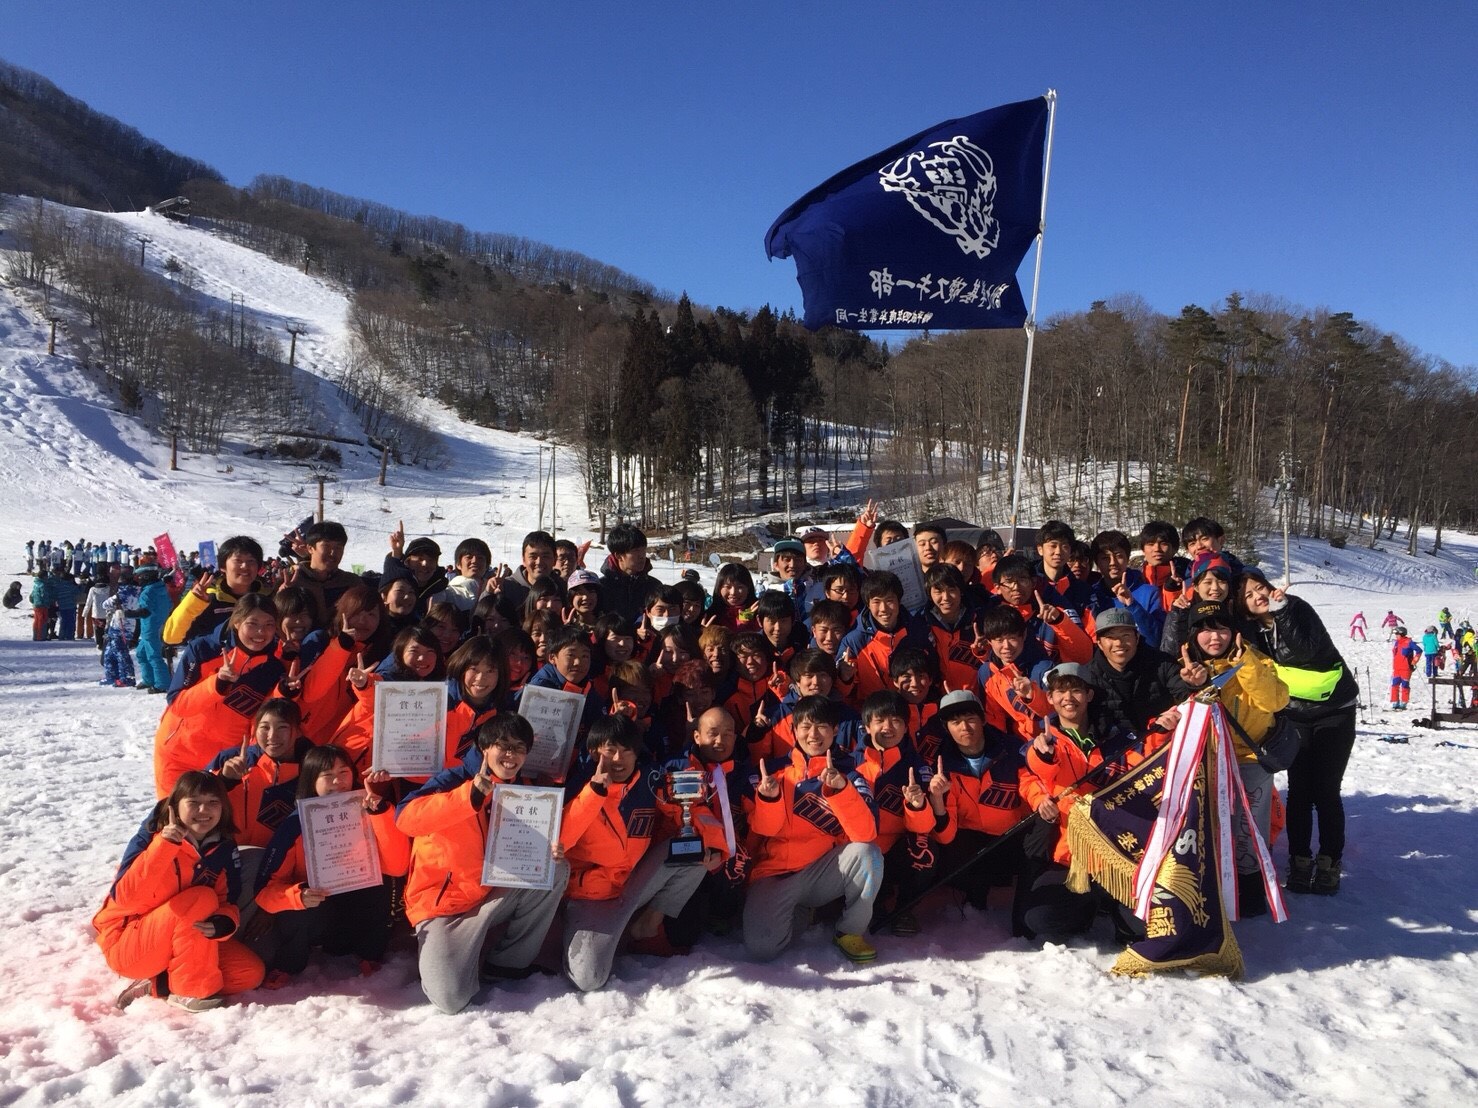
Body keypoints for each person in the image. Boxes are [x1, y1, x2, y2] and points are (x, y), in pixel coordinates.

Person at [396, 716, 570, 1013]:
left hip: (489, 895)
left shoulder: (524, 788)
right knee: (450, 998)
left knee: (556, 869)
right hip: (442, 908)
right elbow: (406, 819)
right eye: (502, 746)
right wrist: (469, 797)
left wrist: (548, 851)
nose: (511, 755)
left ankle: (508, 963)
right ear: (484, 748)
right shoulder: (451, 780)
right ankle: (457, 954)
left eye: (519, 748)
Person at [561, 714, 722, 990]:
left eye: (627, 751)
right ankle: (609, 936)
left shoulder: (648, 782)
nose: (619, 759)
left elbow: (686, 811)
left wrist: (714, 846)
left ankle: (647, 924)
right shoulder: (579, 787)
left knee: (693, 850)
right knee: (590, 979)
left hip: (633, 882)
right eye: (610, 750)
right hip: (591, 896)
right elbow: (562, 839)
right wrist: (594, 793)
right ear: (593, 752)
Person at [94, 772, 265, 1011]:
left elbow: (226, 900)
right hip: (130, 943)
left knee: (248, 973)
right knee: (201, 898)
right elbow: (126, 898)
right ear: (174, 806)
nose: (203, 810)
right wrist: (164, 846)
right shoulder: (154, 841)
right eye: (193, 802)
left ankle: (158, 984)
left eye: (213, 802)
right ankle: (189, 991)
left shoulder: (222, 848)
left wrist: (225, 921)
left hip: (185, 941)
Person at [1237, 570, 1358, 896]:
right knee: (1300, 792)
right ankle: (1300, 860)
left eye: (1260, 588)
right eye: (1249, 595)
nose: (1258, 596)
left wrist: (1283, 611)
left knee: (1327, 790)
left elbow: (1307, 652)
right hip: (1294, 716)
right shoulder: (1250, 633)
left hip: (1335, 711)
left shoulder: (1297, 608)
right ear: (1244, 606)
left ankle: (1330, 861)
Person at [743, 695, 882, 964]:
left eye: (821, 726)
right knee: (763, 949)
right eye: (805, 726)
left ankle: (849, 931)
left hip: (822, 872)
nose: (813, 734)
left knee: (868, 854)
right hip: (776, 875)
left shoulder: (851, 774)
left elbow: (865, 835)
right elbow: (766, 830)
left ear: (835, 731)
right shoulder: (775, 771)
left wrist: (840, 791)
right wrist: (768, 798)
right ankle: (803, 911)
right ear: (794, 731)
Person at [254, 747, 408, 987]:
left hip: (357, 911)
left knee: (380, 883)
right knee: (296, 908)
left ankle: (370, 954)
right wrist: (298, 897)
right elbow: (264, 891)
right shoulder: (295, 824)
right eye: (327, 775)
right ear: (311, 780)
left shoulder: (370, 810)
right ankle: (288, 964)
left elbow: (397, 867)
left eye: (344, 772)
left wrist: (380, 814)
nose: (338, 781)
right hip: (320, 915)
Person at [1180, 599, 1289, 916]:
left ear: (1234, 632)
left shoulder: (1258, 662)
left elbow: (1276, 700)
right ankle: (1211, 889)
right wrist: (1191, 685)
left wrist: (1248, 664)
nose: (1214, 638)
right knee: (1210, 826)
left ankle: (1250, 891)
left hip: (1249, 760)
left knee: (1248, 829)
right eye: (1205, 631)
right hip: (1206, 759)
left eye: (1221, 630)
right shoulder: (1185, 667)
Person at [154, 595, 295, 798]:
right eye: (252, 624)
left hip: (225, 761)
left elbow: (263, 717)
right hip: (179, 754)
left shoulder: (272, 667)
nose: (260, 632)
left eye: (268, 625)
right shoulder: (204, 649)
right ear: (236, 622)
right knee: (175, 819)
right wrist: (216, 685)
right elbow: (177, 704)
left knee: (216, 822)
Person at [164, 537, 266, 646]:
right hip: (216, 661)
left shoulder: (267, 599)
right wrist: (194, 602)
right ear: (223, 566)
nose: (245, 566)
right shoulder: (207, 598)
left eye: (251, 561)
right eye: (238, 560)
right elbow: (171, 638)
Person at [1390, 625, 1420, 710]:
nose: (1396, 636)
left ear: (1402, 634)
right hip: (1396, 668)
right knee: (1394, 685)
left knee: (1405, 685)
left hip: (1406, 668)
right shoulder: (1396, 642)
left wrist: (1414, 661)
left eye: (1397, 634)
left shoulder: (1409, 642)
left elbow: (1419, 651)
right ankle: (1395, 702)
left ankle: (1404, 702)